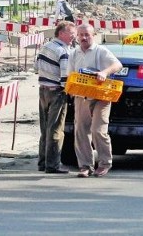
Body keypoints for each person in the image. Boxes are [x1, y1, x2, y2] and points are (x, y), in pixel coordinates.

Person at [69, 24, 122, 178]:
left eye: (87, 34)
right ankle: (85, 166)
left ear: (93, 35)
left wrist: (104, 73)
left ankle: (105, 163)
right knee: (80, 130)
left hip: (102, 96)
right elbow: (70, 75)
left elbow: (118, 65)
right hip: (82, 96)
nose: (84, 38)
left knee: (98, 130)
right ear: (77, 36)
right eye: (81, 35)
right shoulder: (74, 54)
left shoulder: (101, 51)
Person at [34, 20, 77, 174]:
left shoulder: (45, 47)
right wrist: (71, 94)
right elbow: (65, 77)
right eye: (71, 34)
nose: (74, 37)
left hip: (43, 90)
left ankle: (42, 162)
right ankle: (53, 165)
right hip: (57, 92)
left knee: (44, 128)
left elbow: (36, 67)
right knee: (56, 129)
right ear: (61, 33)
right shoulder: (64, 52)